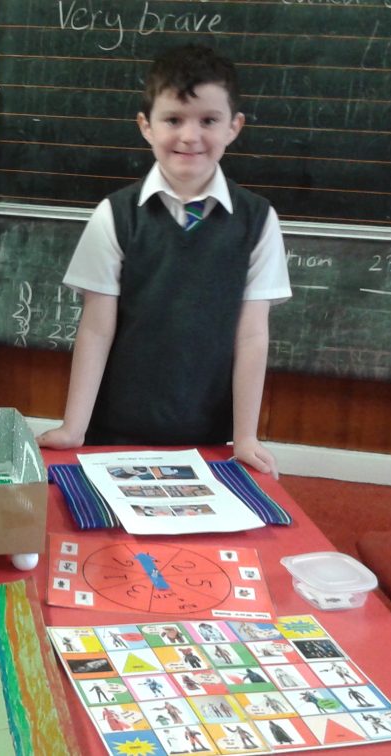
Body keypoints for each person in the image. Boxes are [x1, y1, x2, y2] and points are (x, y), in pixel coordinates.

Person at [37, 44, 291, 477]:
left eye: (208, 120)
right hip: (114, 430)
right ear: (146, 126)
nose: (190, 136)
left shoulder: (258, 220)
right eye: (173, 120)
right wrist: (73, 427)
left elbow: (252, 335)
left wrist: (246, 437)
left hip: (210, 436)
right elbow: (96, 328)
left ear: (234, 126)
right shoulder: (115, 215)